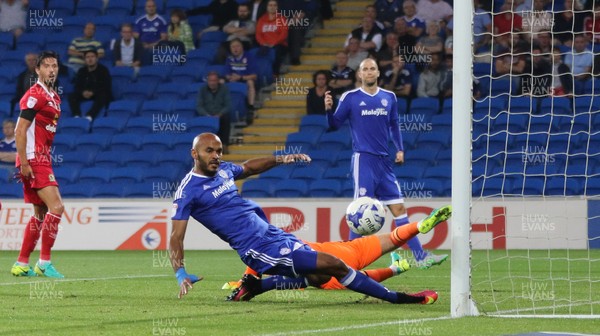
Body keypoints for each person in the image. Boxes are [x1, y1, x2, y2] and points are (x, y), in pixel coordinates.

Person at [169, 132, 440, 304]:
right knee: (334, 263)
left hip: (273, 235)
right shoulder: (187, 193)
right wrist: (180, 272)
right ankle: (398, 299)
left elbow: (250, 167)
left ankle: (255, 286)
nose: (216, 156)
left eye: (219, 151)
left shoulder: (225, 171)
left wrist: (284, 159)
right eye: (210, 151)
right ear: (195, 154)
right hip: (258, 249)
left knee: (321, 277)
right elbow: (176, 237)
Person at [324, 58, 447, 268]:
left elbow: (394, 125)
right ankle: (347, 263)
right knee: (359, 212)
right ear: (359, 75)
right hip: (364, 160)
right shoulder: (350, 97)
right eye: (365, 69)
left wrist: (399, 148)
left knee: (399, 209)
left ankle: (421, 258)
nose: (369, 72)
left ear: (379, 73)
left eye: (373, 68)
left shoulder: (388, 97)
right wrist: (328, 110)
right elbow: (333, 126)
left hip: (384, 162)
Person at [227, 206, 452, 295]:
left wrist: (244, 283)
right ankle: (418, 226)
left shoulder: (265, 251)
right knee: (390, 239)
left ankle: (394, 269)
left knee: (356, 278)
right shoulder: (281, 237)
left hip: (323, 272)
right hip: (338, 249)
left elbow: (261, 270)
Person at [10, 50, 65, 279]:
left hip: (41, 158)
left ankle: (21, 263)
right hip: (33, 158)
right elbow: (20, 130)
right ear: (38, 70)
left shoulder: (54, 96)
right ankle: (43, 263)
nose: (51, 69)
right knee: (57, 208)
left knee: (40, 214)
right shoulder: (35, 94)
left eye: (55, 66)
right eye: (47, 66)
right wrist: (24, 162)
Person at [68, 49, 112, 121]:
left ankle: (90, 116)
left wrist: (93, 92)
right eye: (87, 57)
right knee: (72, 96)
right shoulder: (82, 71)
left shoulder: (103, 70)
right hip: (84, 93)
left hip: (97, 93)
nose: (90, 59)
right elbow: (77, 86)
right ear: (85, 59)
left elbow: (106, 86)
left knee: (103, 95)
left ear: (97, 59)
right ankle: (76, 115)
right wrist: (83, 92)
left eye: (92, 57)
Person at [196, 72, 232, 153]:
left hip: (220, 115)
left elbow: (228, 105)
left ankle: (224, 144)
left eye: (214, 80)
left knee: (226, 118)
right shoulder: (202, 90)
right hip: (207, 115)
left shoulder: (224, 89)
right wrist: (206, 115)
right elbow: (199, 106)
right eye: (210, 81)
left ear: (218, 81)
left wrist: (219, 114)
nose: (212, 83)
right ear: (207, 81)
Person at [255, 0, 288, 77]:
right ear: (267, 7)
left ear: (277, 7)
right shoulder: (261, 19)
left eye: (274, 5)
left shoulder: (282, 18)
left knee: (276, 51)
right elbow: (258, 34)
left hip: (279, 44)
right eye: (270, 5)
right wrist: (263, 43)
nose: (272, 7)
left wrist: (274, 43)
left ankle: (275, 74)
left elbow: (283, 34)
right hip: (264, 44)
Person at [225, 38, 257, 112]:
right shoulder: (229, 58)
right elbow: (226, 74)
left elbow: (254, 76)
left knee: (250, 82)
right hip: (234, 79)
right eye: (233, 47)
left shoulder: (249, 56)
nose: (235, 49)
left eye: (237, 46)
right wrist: (231, 77)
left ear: (242, 47)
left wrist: (241, 77)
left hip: (245, 79)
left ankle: (251, 106)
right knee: (221, 82)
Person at [134, 0, 168, 65]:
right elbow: (135, 37)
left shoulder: (161, 20)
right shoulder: (140, 20)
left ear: (156, 7)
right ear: (145, 8)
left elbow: (164, 38)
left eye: (153, 6)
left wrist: (150, 45)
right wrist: (143, 44)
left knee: (150, 51)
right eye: (149, 6)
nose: (151, 8)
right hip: (142, 45)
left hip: (156, 45)